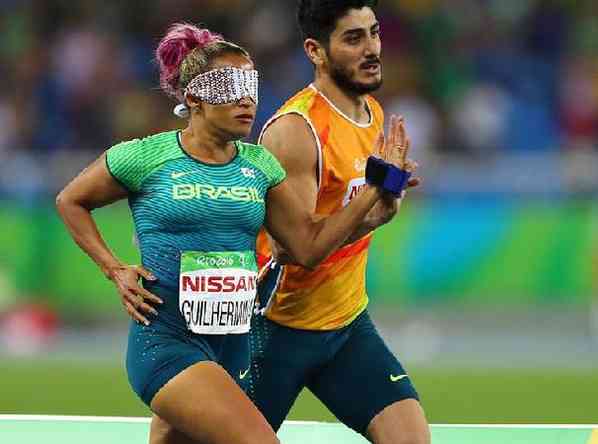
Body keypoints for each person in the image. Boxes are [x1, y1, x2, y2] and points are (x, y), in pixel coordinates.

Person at [55, 22, 414, 444]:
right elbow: (70, 201)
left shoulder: (261, 166)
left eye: (250, 84)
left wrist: (375, 195)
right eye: (228, 86)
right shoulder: (146, 157)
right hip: (168, 343)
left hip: (233, 347)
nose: (245, 99)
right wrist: (114, 268)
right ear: (193, 99)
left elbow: (308, 246)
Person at [248, 1, 431, 443]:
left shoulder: (373, 115)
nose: (372, 48)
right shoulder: (295, 131)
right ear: (315, 50)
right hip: (275, 330)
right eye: (353, 38)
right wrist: (374, 195)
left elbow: (357, 216)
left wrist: (381, 212)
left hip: (346, 327)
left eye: (374, 32)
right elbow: (301, 251)